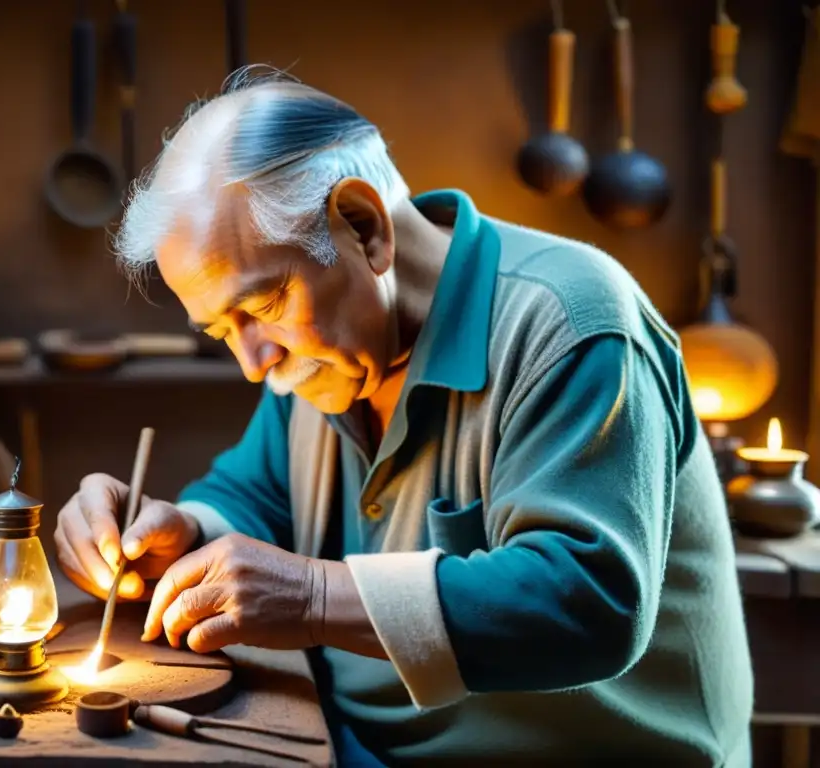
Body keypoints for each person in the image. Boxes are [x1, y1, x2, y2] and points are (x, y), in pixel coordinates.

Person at [55, 67, 753, 766]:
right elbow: (256, 493)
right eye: (219, 331)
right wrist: (180, 534)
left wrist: (310, 595)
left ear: (364, 228)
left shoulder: (572, 323)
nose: (252, 362)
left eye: (260, 307)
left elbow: (588, 600)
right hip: (358, 745)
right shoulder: (327, 353)